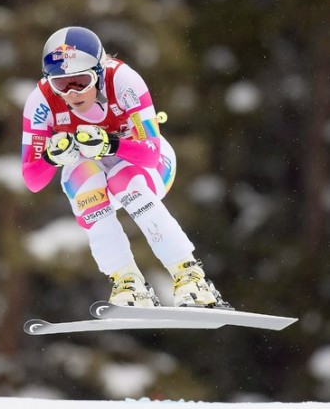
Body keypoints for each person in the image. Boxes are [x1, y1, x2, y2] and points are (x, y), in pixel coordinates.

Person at [21, 26, 230, 308]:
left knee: (124, 179)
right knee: (84, 183)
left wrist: (111, 145)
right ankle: (127, 282)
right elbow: (32, 179)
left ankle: (190, 277)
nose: (71, 93)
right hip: (92, 166)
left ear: (98, 71)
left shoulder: (123, 80)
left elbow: (151, 154)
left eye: (81, 81)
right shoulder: (41, 100)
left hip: (145, 164)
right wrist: (51, 158)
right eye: (61, 83)